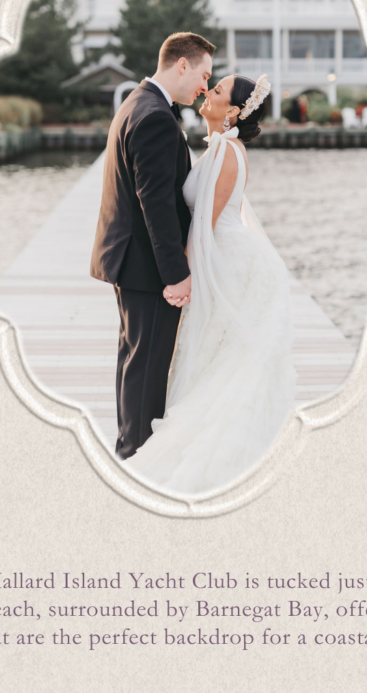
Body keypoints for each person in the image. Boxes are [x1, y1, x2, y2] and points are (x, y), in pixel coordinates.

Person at [125, 73, 297, 495]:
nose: (208, 92)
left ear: (234, 112)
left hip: (229, 261)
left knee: (223, 357)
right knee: (216, 355)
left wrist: (179, 277)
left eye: (217, 91)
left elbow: (204, 224)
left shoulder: (225, 151)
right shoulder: (220, 147)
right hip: (223, 252)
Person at [90, 32, 215, 460]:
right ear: (182, 64)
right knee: (146, 367)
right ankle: (136, 458)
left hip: (128, 260)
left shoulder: (136, 104)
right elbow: (156, 204)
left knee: (134, 359)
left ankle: (128, 447)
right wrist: (176, 276)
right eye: (203, 74)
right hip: (146, 266)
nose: (204, 86)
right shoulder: (156, 117)